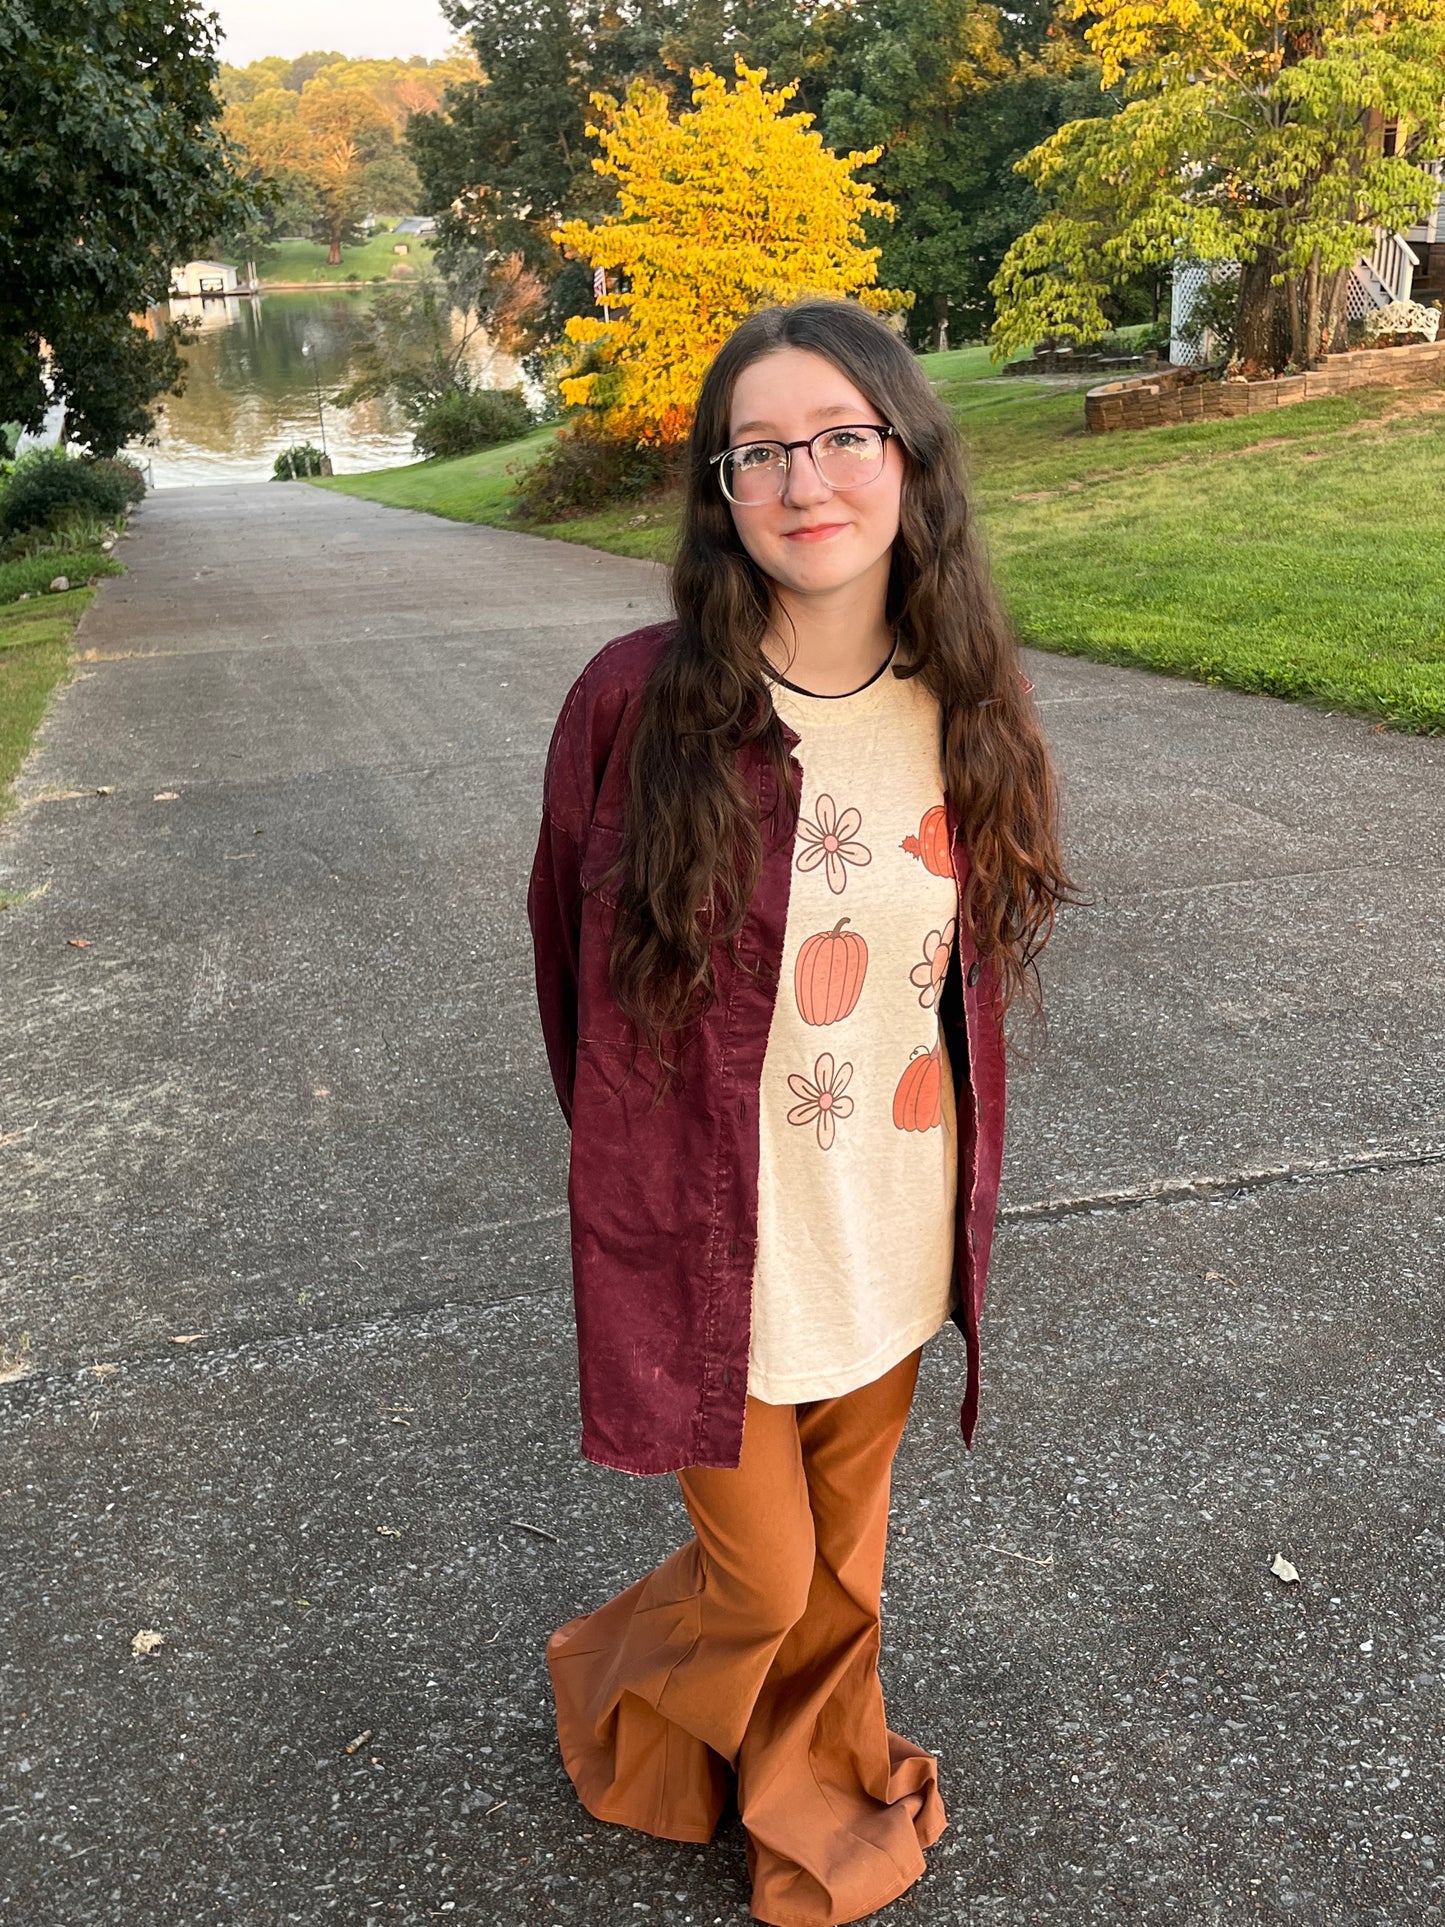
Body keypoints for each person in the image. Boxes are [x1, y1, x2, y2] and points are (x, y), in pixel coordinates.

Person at [526, 295, 1076, 1925]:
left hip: (898, 1223)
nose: (803, 478)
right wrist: (632, 1180)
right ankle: (634, 1694)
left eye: (840, 435)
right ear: (718, 491)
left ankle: (802, 1792)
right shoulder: (637, 703)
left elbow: (963, 979)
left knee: (843, 1571)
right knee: (765, 1572)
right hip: (716, 1235)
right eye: (757, 449)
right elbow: (573, 980)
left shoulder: (969, 701)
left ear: (906, 459)